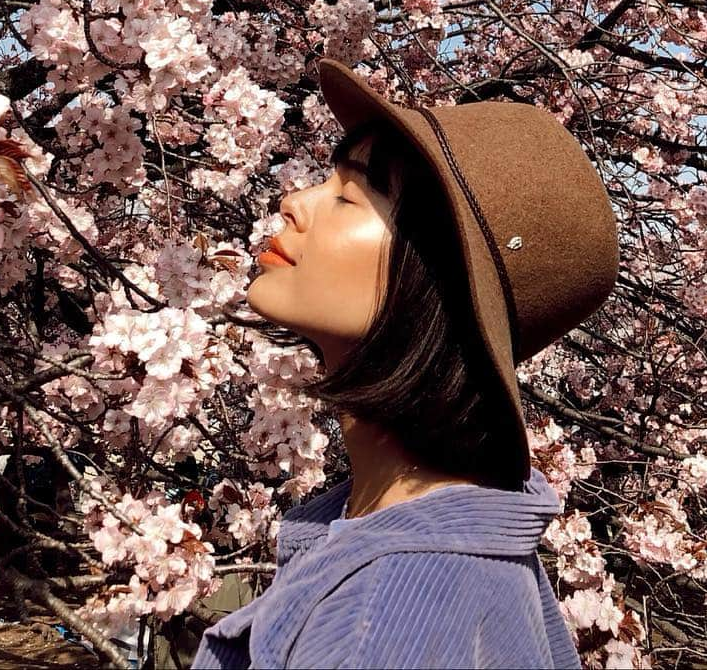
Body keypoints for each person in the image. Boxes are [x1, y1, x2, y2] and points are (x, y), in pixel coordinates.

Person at [192, 57, 619, 669]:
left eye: (348, 195)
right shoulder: (402, 540)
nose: (293, 201)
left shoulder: (388, 610)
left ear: (436, 283)